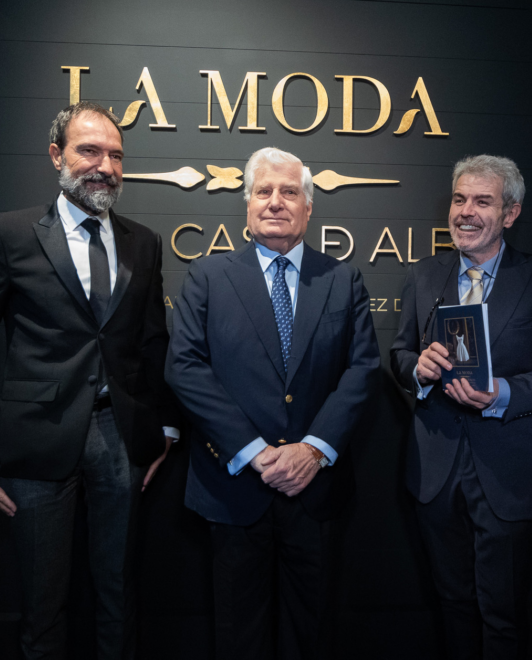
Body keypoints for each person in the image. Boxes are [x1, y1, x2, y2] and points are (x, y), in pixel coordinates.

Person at [0, 102, 182, 659]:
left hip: (120, 439)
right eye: (89, 150)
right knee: (42, 602)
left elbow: (153, 343)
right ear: (58, 155)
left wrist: (164, 429)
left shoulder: (143, 243)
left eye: (116, 155)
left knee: (119, 595)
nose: (105, 165)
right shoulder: (7, 234)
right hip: (35, 440)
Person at [165, 147, 380, 660]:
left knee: (314, 633)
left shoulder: (342, 280)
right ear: (247, 205)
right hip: (235, 488)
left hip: (316, 492)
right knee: (239, 636)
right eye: (264, 191)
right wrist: (256, 452)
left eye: (289, 192)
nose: (276, 202)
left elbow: (362, 368)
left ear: (308, 208)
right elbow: (185, 367)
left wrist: (313, 449)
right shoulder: (208, 278)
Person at [390, 155, 532, 659]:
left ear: (511, 213)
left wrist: (504, 392)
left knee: (503, 613)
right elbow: (397, 354)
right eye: (460, 199)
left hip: (508, 473)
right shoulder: (425, 275)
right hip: (434, 470)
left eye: (483, 201)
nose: (466, 212)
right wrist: (419, 367)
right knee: (452, 604)